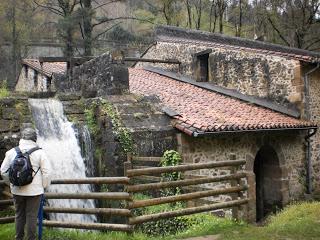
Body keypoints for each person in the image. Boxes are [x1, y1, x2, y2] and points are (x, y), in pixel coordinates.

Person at [0, 127, 51, 240]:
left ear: (22, 138)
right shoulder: (40, 153)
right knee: (32, 216)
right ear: (34, 139)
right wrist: (43, 186)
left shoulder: (11, 152)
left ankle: (18, 238)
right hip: (35, 192)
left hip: (17, 191)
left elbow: (3, 171)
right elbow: (47, 173)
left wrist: (11, 184)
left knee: (19, 215)